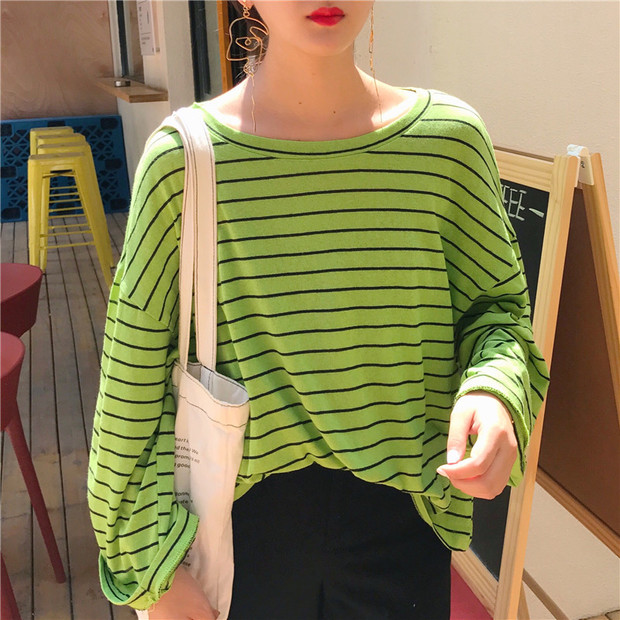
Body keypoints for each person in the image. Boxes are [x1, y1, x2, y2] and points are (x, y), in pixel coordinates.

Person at [88, 1, 550, 618]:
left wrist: (494, 393)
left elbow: (498, 316)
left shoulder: (448, 146)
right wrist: (154, 573)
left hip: (406, 534)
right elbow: (129, 389)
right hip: (234, 542)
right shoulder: (185, 162)